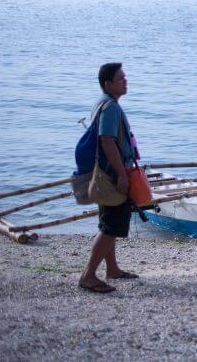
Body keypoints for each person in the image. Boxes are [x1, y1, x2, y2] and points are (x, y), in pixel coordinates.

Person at [79, 63, 140, 294]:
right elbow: (106, 140)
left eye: (125, 77)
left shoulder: (101, 102)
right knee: (111, 226)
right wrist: (122, 175)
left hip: (103, 171)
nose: (126, 81)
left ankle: (112, 268)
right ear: (108, 84)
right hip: (112, 173)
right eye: (120, 78)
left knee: (108, 223)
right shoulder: (111, 107)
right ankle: (88, 275)